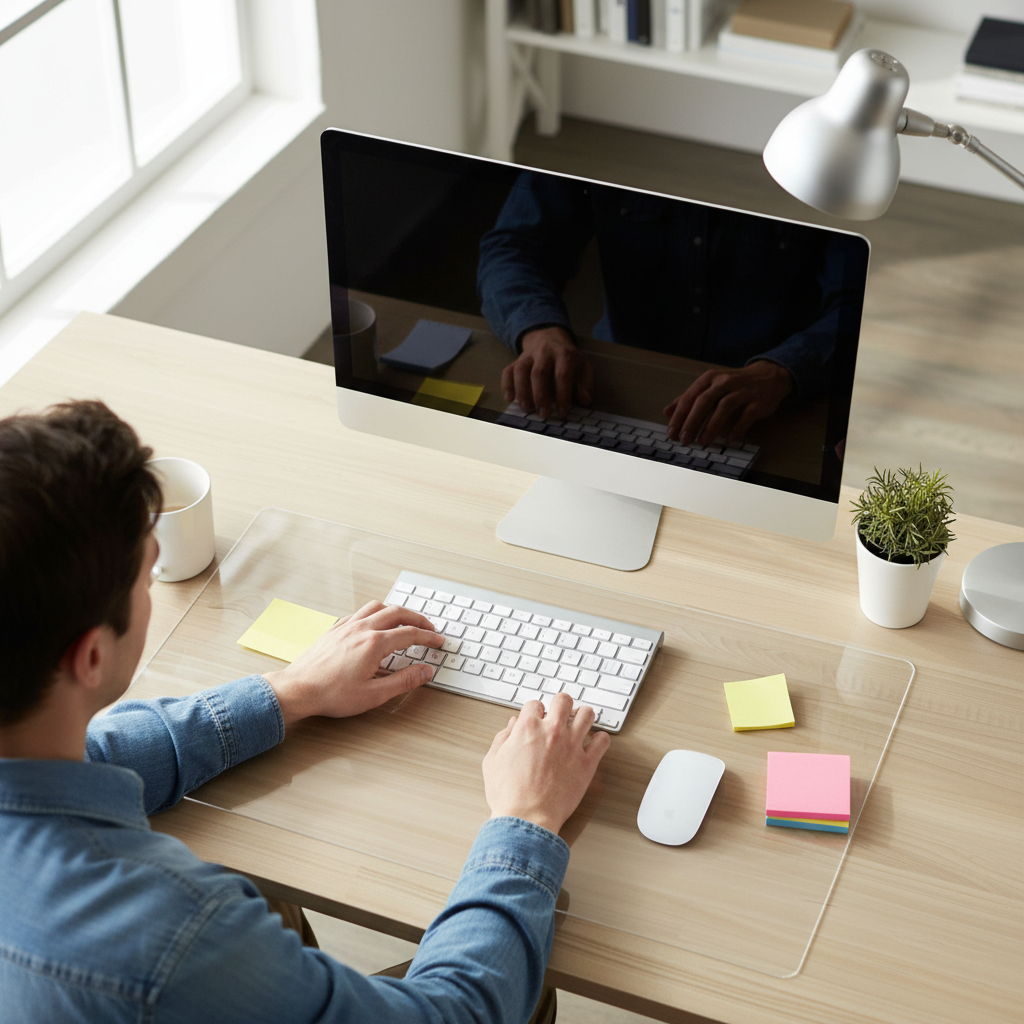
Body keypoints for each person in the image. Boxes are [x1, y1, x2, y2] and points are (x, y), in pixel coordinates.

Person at [0, 400, 610, 1023]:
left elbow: (100, 755)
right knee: (527, 989)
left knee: (265, 895)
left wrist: (292, 691)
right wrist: (526, 818)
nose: (153, 584)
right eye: (145, 573)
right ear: (92, 656)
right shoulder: (174, 935)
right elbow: (452, 1015)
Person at [478, 171, 861, 444]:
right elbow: (513, 247)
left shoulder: (813, 160)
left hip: (766, 413)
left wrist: (782, 372)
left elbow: (855, 303)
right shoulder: (610, 135)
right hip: (610, 384)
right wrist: (539, 332)